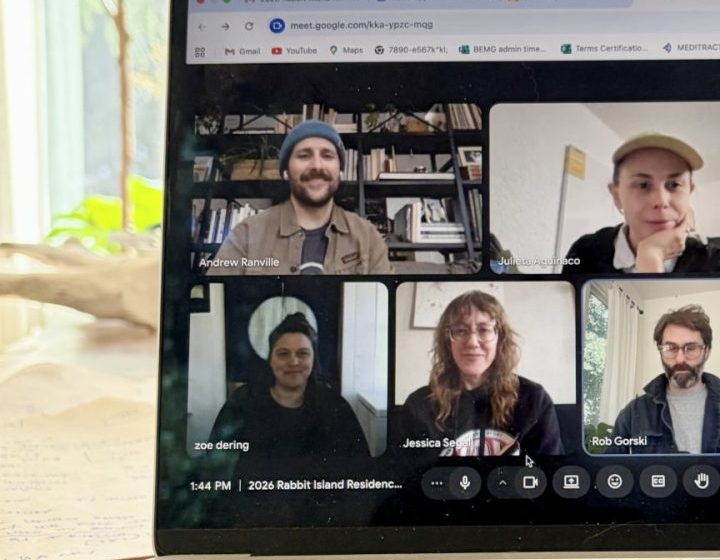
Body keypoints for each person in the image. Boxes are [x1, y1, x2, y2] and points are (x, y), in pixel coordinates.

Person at [207, 119, 389, 275]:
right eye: (304, 156)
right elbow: (211, 298)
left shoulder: (368, 238)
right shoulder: (246, 235)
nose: (317, 166)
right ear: (285, 172)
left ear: (340, 172)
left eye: (327, 156)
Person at [395, 291, 563, 456]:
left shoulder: (533, 400)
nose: (472, 342)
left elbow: (547, 470)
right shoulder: (419, 405)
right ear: (447, 341)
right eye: (461, 330)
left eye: (484, 330)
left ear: (500, 339)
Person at [207, 312, 371, 472]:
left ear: (313, 360)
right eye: (283, 354)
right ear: (271, 360)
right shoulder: (243, 400)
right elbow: (215, 463)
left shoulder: (335, 406)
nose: (293, 361)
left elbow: (359, 468)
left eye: (302, 354)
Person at [607, 304, 720, 454]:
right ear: (661, 351)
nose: (680, 359)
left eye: (691, 348)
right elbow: (611, 472)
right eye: (671, 348)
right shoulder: (633, 413)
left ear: (706, 351)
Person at [563, 133, 720, 275]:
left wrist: (651, 258)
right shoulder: (585, 252)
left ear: (689, 192)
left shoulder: (716, 264)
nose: (661, 201)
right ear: (617, 196)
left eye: (674, 185)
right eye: (643, 185)